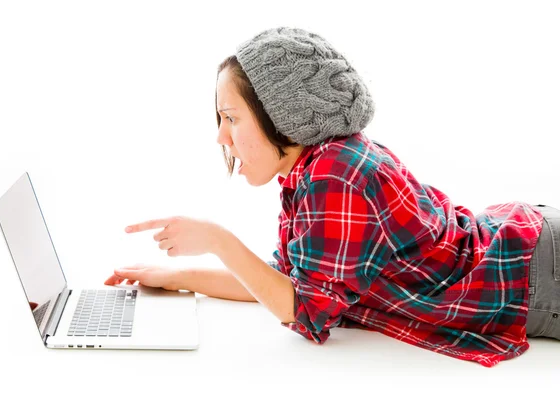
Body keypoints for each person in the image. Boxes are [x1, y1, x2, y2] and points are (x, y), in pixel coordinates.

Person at [104, 27, 559, 367]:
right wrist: (175, 277)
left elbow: (303, 313)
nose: (221, 136)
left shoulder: (334, 175)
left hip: (534, 275)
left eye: (231, 117)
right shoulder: (314, 168)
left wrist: (217, 239)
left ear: (280, 114)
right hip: (527, 254)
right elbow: (282, 280)